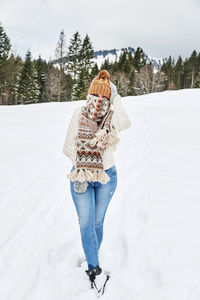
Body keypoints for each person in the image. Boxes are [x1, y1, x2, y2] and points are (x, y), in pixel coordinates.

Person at [62, 70, 131, 295]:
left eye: (104, 97)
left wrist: (117, 98)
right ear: (88, 95)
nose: (98, 101)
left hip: (106, 178)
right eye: (95, 95)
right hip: (81, 177)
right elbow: (68, 147)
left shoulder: (113, 117)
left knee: (97, 223)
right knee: (85, 224)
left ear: (109, 98)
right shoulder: (78, 113)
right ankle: (94, 269)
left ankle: (92, 254)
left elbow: (126, 121)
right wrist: (85, 164)